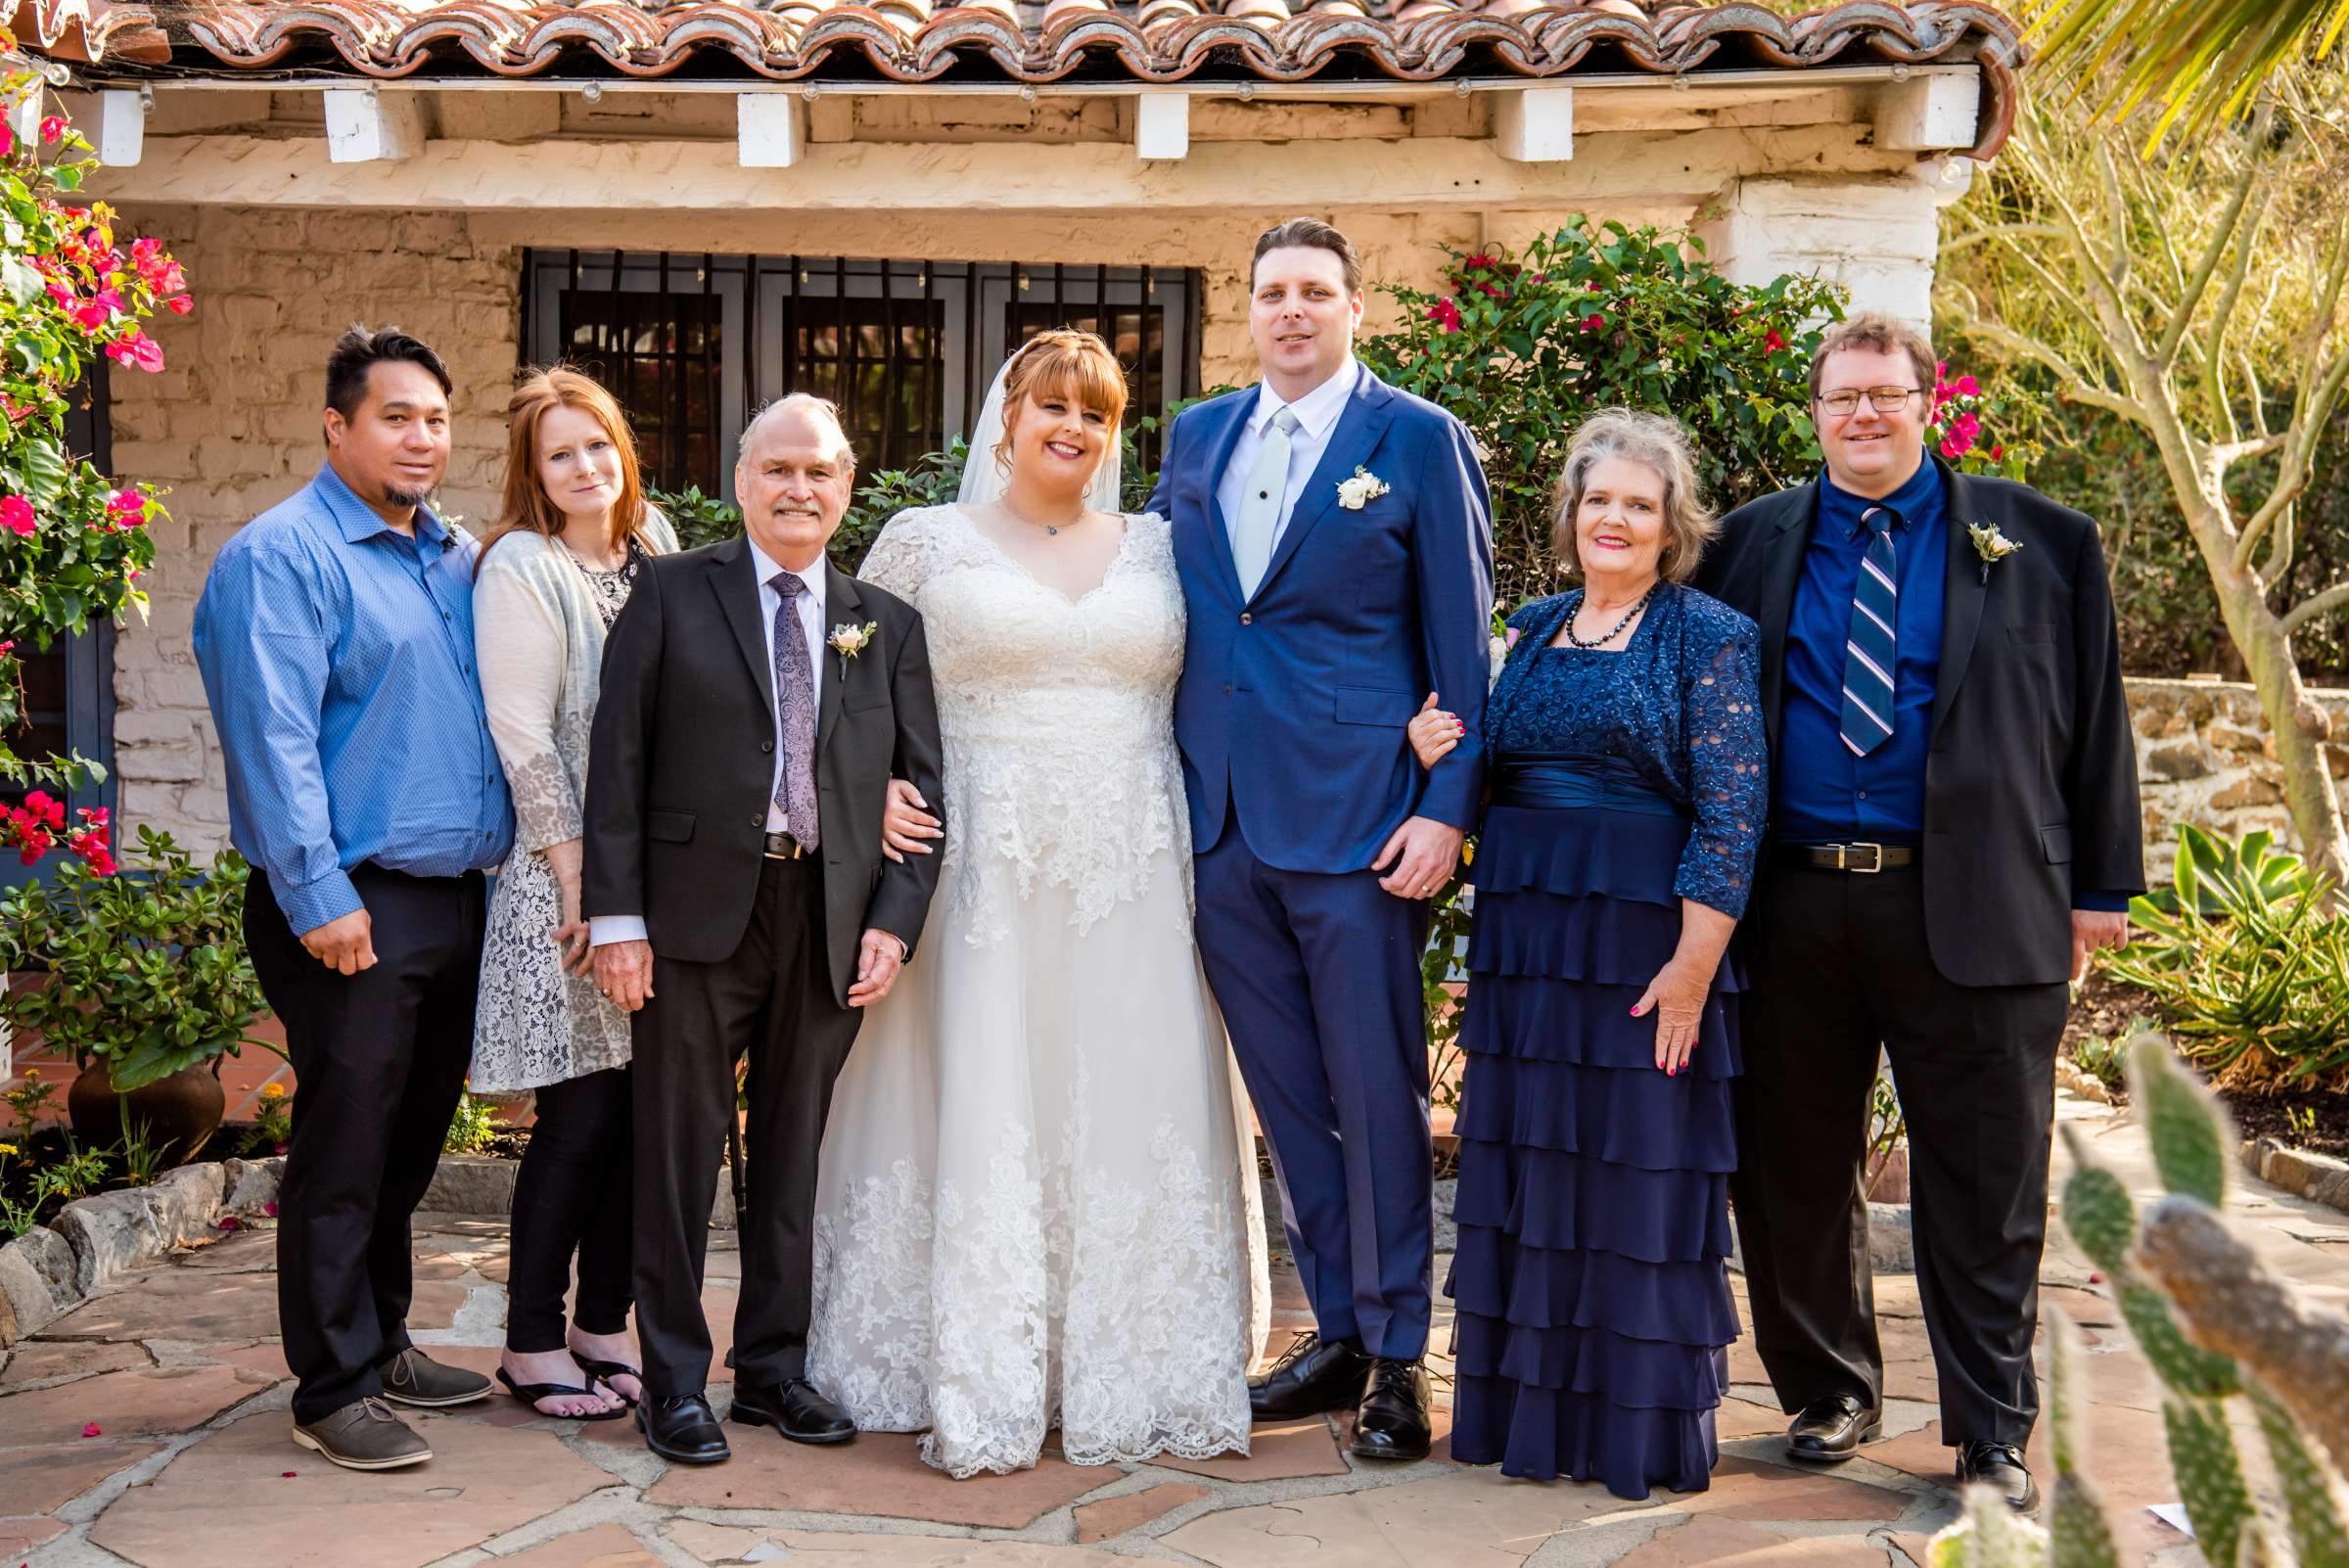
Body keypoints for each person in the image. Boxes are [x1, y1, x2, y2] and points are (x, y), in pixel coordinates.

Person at [1691, 312, 2144, 1511]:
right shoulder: (1747, 543)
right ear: (1816, 411)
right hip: (1790, 904)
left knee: (1988, 1179)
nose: (1863, 416)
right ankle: (1828, 1390)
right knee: (1789, 1169)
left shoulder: (2041, 540)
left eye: (1885, 395)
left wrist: (2101, 888)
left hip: (1983, 905)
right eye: (1841, 398)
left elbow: (2098, 718)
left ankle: (1990, 1423)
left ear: (1925, 401)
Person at [807, 330, 1269, 1479]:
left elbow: (1255, 666)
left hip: (1131, 868)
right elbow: (841, 685)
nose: (1074, 427)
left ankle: (1127, 1362)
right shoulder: (925, 543)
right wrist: (875, 802)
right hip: (981, 871)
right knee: (985, 1088)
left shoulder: (1162, 547)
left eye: (1099, 413)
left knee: (1124, 1091)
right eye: (1053, 404)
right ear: (1006, 414)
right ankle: (968, 1358)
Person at [1147, 217, 1495, 1459]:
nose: (1292, 311)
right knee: (1291, 1101)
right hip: (1220, 821)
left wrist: (1445, 811)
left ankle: (1401, 1355)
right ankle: (1340, 1323)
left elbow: (1463, 639)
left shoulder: (1415, 439)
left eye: (1315, 293)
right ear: (1250, 310)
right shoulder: (1197, 437)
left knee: (1376, 1094)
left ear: (1356, 309)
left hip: (1360, 826)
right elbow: (1170, 606)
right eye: (1272, 292)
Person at [583, 394, 944, 1466]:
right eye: (779, 469)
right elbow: (618, 765)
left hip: (825, 921)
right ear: (743, 480)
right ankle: (676, 1382)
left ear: (847, 486)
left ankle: (774, 1371)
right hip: (693, 922)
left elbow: (923, 794)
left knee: (794, 1158)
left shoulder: (884, 623)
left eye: (821, 473)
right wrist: (617, 919)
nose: (799, 490)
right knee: (680, 1157)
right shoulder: (667, 591)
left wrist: (893, 923)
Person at [1407, 411, 1763, 1499]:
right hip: (1529, 948)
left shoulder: (1707, 635)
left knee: (1635, 1180)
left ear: (1671, 527)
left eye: (1639, 506)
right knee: (1533, 1176)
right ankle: (1528, 1421)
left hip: (1643, 945)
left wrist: (1696, 965)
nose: (1616, 519)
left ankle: (1630, 1437)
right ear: (1571, 515)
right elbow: (1486, 769)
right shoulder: (1533, 622)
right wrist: (1429, 747)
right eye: (1598, 500)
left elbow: (1733, 809)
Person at [193, 325, 514, 1471]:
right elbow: (272, 743)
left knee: (411, 1140)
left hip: (449, 899)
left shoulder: (451, 554)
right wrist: (321, 896)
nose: (421, 437)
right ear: (337, 427)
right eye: (396, 417)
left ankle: (381, 1343)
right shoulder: (278, 558)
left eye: (434, 417)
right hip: (346, 904)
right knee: (345, 1143)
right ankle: (329, 1387)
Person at [469, 367, 681, 1420]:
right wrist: (583, 886)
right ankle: (529, 1341)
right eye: (561, 454)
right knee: (580, 1116)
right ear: (535, 473)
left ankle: (606, 1323)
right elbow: (524, 733)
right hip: (570, 882)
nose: (586, 467)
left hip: (658, 884)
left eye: (597, 444)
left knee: (645, 1116)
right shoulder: (522, 565)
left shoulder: (663, 550)